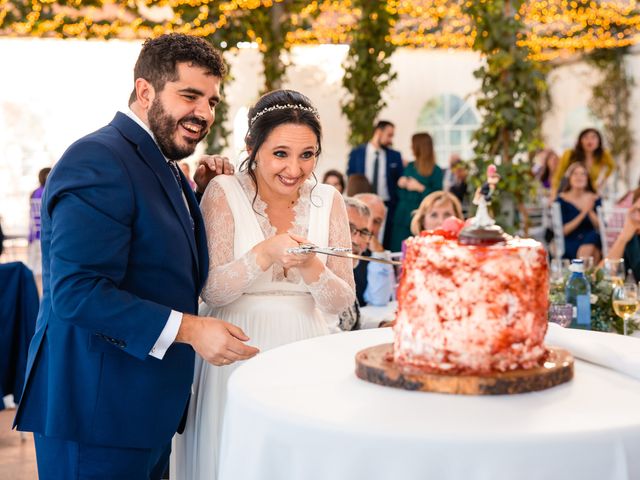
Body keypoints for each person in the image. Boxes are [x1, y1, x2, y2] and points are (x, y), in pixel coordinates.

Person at [14, 33, 259, 480]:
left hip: (143, 411)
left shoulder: (163, 165)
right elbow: (78, 292)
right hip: (95, 414)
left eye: (212, 101)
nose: (203, 113)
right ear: (145, 91)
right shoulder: (98, 158)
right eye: (190, 95)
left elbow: (159, 258)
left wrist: (198, 196)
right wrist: (190, 328)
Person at [174, 90, 355, 479]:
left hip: (307, 351)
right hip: (235, 351)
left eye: (308, 155)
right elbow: (213, 290)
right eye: (281, 154)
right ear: (252, 147)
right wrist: (266, 252)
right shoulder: (224, 192)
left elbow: (342, 301)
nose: (295, 168)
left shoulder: (329, 200)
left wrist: (311, 267)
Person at [347, 120, 403, 248]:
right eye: (389, 135)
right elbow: (351, 176)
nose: (391, 139)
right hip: (361, 203)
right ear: (379, 132)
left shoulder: (395, 156)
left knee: (384, 239)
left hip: (386, 205)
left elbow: (398, 181)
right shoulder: (357, 153)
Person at [389, 132, 443, 252]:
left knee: (419, 250)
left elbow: (439, 198)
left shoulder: (436, 171)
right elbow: (400, 194)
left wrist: (420, 188)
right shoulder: (410, 167)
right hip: (402, 216)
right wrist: (401, 183)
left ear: (419, 147)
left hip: (420, 216)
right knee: (398, 250)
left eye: (413, 145)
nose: (410, 147)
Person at [335, 197, 371, 331]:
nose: (356, 240)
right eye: (349, 229)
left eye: (364, 233)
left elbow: (353, 320)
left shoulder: (345, 275)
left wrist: (381, 324)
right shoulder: (314, 276)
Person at [354, 193, 395, 307]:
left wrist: (378, 253)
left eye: (377, 222)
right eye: (366, 217)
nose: (370, 228)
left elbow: (379, 301)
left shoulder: (374, 253)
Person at [556, 162, 602, 262]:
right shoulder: (562, 200)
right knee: (594, 251)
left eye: (583, 174)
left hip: (592, 237)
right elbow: (563, 230)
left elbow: (601, 227)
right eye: (575, 174)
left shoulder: (594, 198)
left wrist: (590, 211)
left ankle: (580, 271)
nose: (579, 177)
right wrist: (583, 213)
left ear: (587, 178)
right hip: (571, 240)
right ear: (569, 178)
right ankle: (587, 274)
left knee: (593, 236)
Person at [551, 128, 615, 197]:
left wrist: (602, 183)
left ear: (599, 141)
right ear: (580, 140)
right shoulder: (569, 154)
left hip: (590, 194)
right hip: (570, 194)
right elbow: (558, 175)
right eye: (586, 137)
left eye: (593, 137)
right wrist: (553, 193)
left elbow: (612, 167)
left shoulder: (603, 155)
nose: (589, 141)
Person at [606, 188, 640, 281]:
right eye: (638, 210)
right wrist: (622, 238)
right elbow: (604, 276)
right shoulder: (632, 237)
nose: (638, 217)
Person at [27, 167, 51, 289]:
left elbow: (31, 217)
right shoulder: (50, 191)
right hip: (48, 232)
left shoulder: (34, 193)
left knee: (33, 261)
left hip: (35, 233)